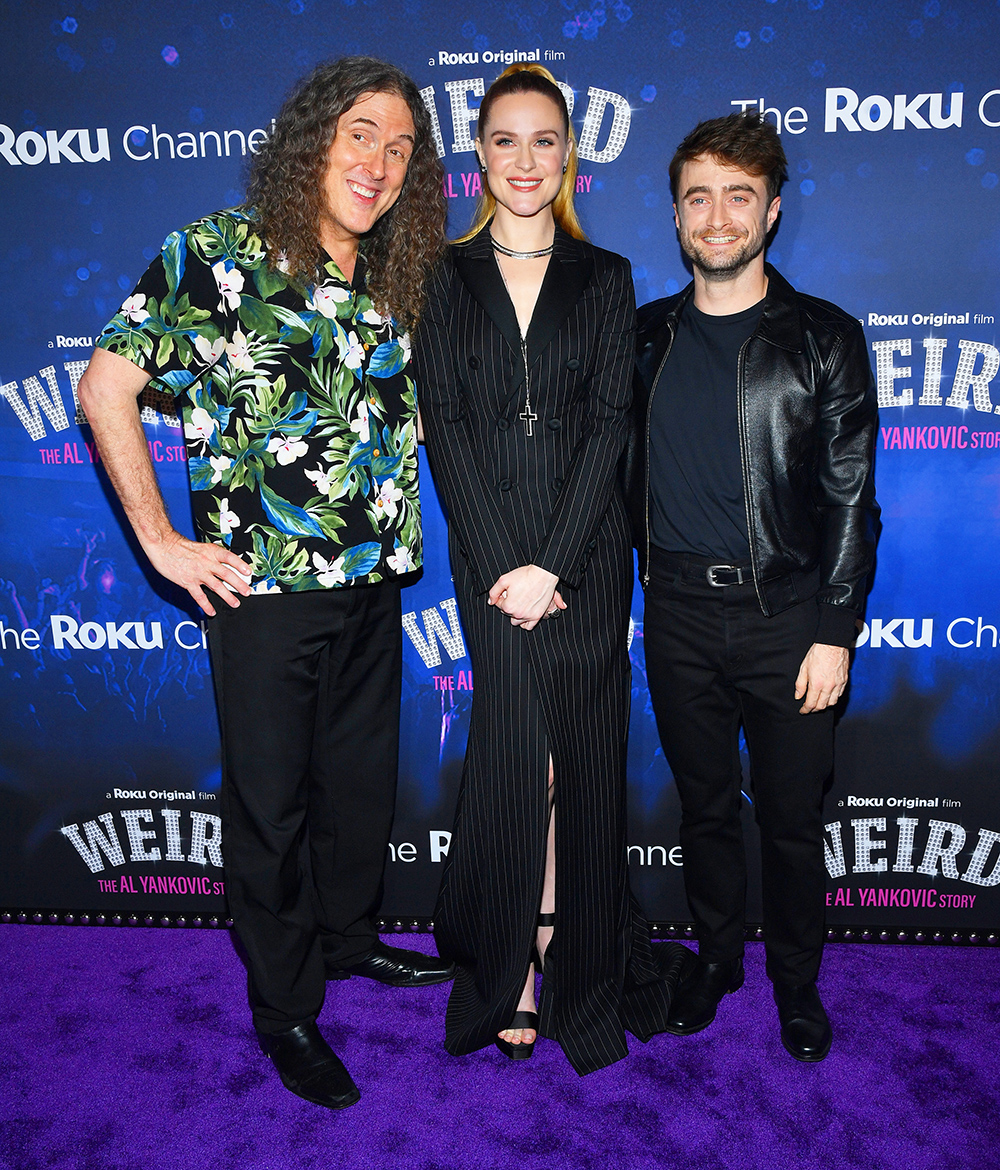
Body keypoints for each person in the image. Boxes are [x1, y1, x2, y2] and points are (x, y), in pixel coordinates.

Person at [77, 57, 454, 1111]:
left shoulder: (391, 278)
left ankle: (346, 943)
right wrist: (161, 544)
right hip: (263, 596)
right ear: (312, 139)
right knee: (272, 807)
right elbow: (106, 385)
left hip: (376, 584)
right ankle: (286, 1009)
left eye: (399, 147)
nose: (378, 161)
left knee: (358, 794)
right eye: (360, 134)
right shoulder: (213, 253)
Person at [414, 64, 688, 1076]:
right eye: (503, 140)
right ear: (477, 155)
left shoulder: (607, 276)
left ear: (566, 153)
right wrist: (504, 566)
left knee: (580, 758)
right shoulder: (439, 276)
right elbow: (443, 427)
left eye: (543, 140)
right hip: (489, 563)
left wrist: (555, 564)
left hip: (584, 562)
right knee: (517, 758)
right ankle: (512, 963)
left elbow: (611, 425)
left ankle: (574, 964)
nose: (523, 160)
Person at [631, 111, 880, 1062]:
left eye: (739, 196)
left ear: (771, 212)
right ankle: (717, 959)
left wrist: (835, 628)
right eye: (700, 196)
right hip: (679, 614)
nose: (718, 215)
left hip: (789, 619)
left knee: (788, 819)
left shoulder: (824, 338)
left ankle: (797, 985)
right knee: (703, 808)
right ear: (679, 216)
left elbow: (853, 498)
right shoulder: (643, 337)